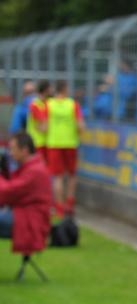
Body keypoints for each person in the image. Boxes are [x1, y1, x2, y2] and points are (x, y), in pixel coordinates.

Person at [0, 133, 51, 256]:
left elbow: (8, 191)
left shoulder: (34, 171)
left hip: (29, 222)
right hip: (24, 215)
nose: (10, 154)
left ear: (24, 151)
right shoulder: (32, 167)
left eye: (13, 149)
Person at [46, 80, 85, 217]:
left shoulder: (49, 104)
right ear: (65, 89)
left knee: (57, 177)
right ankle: (69, 202)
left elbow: (43, 126)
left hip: (54, 143)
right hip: (70, 143)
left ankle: (59, 207)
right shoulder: (72, 105)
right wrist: (80, 135)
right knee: (72, 175)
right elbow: (80, 125)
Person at [26, 80, 51, 162]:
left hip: (47, 143)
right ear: (47, 90)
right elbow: (43, 128)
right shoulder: (35, 105)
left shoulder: (48, 103)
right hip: (37, 143)